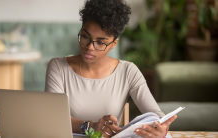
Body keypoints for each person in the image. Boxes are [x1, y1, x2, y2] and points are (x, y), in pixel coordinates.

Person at [45, 0, 177, 137]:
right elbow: (52, 119)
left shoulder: (128, 71)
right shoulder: (58, 67)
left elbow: (157, 116)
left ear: (114, 43)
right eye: (85, 37)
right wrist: (91, 126)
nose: (90, 47)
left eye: (101, 42)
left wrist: (161, 129)